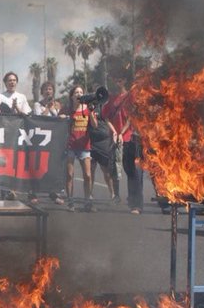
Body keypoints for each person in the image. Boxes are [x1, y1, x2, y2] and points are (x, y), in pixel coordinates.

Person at [103, 68, 144, 214]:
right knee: (116, 170)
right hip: (116, 140)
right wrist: (114, 132)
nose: (117, 82)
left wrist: (122, 132)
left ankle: (136, 205)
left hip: (130, 139)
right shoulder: (111, 98)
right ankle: (117, 196)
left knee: (133, 172)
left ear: (125, 81)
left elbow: (131, 117)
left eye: (120, 79)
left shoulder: (130, 96)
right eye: (115, 79)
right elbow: (106, 117)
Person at [60, 84, 97, 212]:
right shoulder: (67, 109)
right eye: (76, 92)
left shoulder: (88, 108)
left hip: (84, 146)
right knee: (69, 175)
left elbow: (95, 125)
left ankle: (88, 201)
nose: (79, 94)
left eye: (81, 92)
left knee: (87, 175)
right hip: (70, 145)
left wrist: (91, 112)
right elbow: (58, 120)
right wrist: (63, 117)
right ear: (72, 96)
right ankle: (70, 202)